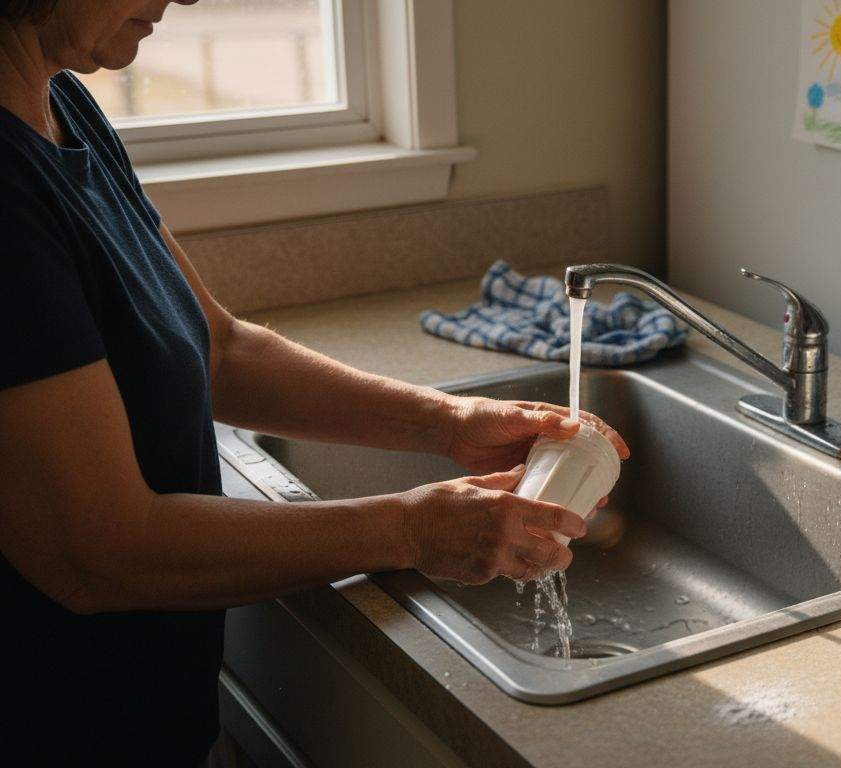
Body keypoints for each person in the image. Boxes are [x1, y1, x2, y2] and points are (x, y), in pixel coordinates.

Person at [0, 1, 630, 764]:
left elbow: (221, 350)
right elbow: (97, 551)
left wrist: (445, 421)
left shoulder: (63, 100)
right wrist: (410, 528)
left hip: (148, 715)